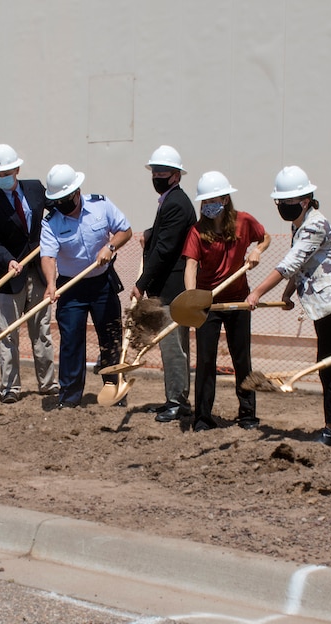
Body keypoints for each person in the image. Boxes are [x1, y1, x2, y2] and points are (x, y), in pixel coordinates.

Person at [246, 166, 331, 446]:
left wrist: (258, 293)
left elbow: (289, 263)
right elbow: (300, 265)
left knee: (327, 365)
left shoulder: (314, 224)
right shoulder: (298, 223)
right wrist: (288, 294)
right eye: (280, 203)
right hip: (321, 304)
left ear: (304, 200)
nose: (283, 207)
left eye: (288, 202)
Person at [182, 171, 271, 432]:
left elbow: (264, 237)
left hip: (239, 301)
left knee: (242, 359)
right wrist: (192, 297)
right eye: (205, 201)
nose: (208, 205)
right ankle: (203, 417)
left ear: (224, 198)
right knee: (206, 360)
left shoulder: (244, 222)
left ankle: (248, 415)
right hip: (208, 303)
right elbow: (190, 266)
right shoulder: (198, 232)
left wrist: (257, 250)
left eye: (213, 199)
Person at [40, 164, 132, 409]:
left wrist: (110, 247)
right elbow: (48, 256)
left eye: (65, 199)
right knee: (71, 341)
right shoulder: (51, 221)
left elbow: (125, 230)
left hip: (102, 283)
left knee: (110, 337)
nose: (61, 204)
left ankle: (114, 390)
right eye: (56, 200)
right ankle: (69, 397)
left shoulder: (101, 205)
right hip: (70, 287)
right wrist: (51, 284)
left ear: (77, 192)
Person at [0, 144, 59, 403]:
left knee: (42, 331)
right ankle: (10, 388)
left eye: (7, 173)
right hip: (8, 277)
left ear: (17, 169)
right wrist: (8, 260)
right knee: (7, 335)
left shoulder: (35, 188)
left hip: (38, 271)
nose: (3, 178)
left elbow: (55, 211)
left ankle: (48, 385)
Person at [131, 145, 197, 423]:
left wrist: (141, 283)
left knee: (174, 348)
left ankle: (178, 402)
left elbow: (166, 249)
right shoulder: (170, 202)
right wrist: (150, 232)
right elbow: (164, 236)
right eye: (155, 172)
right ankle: (172, 397)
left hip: (173, 289)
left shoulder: (176, 204)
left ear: (176, 176)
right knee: (169, 347)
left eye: (163, 172)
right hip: (166, 288)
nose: (157, 176)